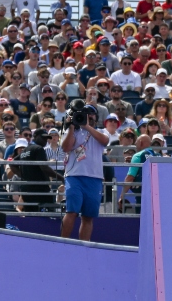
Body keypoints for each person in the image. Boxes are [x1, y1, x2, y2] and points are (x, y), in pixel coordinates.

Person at [60, 100, 109, 241]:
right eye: (86, 113)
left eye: (92, 113)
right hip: (74, 176)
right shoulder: (73, 131)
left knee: (88, 216)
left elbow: (105, 141)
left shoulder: (101, 131)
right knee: (71, 212)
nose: (89, 116)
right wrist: (71, 127)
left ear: (96, 117)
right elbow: (66, 148)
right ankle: (62, 243)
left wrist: (87, 127)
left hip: (94, 178)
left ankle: (84, 247)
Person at [9, 129, 60, 212]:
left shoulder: (26, 150)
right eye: (43, 138)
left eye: (46, 138)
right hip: (40, 190)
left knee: (30, 214)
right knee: (48, 214)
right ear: (35, 137)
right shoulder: (39, 149)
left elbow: (12, 164)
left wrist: (23, 176)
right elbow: (44, 168)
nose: (45, 140)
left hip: (27, 190)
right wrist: (60, 178)